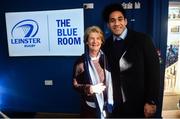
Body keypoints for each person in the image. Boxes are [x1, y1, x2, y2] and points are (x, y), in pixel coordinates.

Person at [102, 3, 160, 118]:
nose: (117, 23)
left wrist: (151, 101)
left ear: (126, 21)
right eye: (112, 20)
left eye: (120, 19)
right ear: (108, 25)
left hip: (140, 105)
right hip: (115, 106)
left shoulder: (143, 40)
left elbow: (154, 72)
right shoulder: (105, 45)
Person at [72, 26, 113, 118]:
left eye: (98, 38)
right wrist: (90, 89)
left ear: (102, 41)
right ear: (87, 41)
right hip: (89, 108)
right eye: (92, 38)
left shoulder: (107, 59)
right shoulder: (80, 62)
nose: (95, 41)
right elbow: (75, 85)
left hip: (108, 106)